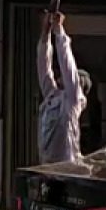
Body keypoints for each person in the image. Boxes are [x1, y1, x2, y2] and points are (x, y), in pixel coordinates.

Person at [36, 11, 90, 164]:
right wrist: (45, 34)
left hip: (66, 171)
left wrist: (59, 31)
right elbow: (43, 67)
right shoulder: (52, 98)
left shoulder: (73, 102)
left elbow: (68, 66)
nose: (62, 77)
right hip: (47, 168)